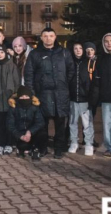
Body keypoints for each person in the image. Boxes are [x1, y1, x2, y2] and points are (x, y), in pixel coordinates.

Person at [24, 28, 74, 159]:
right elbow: (29, 74)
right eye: (45, 36)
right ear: (41, 38)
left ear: (55, 37)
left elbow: (71, 71)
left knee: (60, 123)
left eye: (51, 36)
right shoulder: (35, 54)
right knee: (42, 124)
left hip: (60, 94)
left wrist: (63, 84)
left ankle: (58, 149)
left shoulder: (64, 53)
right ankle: (43, 147)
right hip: (42, 94)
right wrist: (33, 93)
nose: (48, 38)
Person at [0, 45, 20, 156]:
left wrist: (14, 97)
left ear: (5, 53)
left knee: (10, 122)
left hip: (9, 99)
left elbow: (17, 83)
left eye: (2, 52)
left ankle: (9, 144)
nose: (0, 55)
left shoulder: (12, 66)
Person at [7, 86, 46, 161]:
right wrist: (20, 136)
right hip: (20, 134)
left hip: (32, 133)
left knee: (42, 134)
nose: (24, 98)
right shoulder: (13, 108)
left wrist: (30, 132)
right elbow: (10, 125)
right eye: (22, 96)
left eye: (26, 96)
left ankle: (36, 150)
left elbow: (40, 122)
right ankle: (21, 149)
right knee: (23, 146)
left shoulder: (34, 107)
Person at [69, 43, 94, 156]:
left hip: (85, 99)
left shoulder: (88, 63)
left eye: (80, 48)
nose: (78, 50)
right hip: (72, 98)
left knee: (87, 123)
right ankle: (74, 142)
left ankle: (89, 144)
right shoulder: (70, 63)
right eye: (75, 48)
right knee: (72, 122)